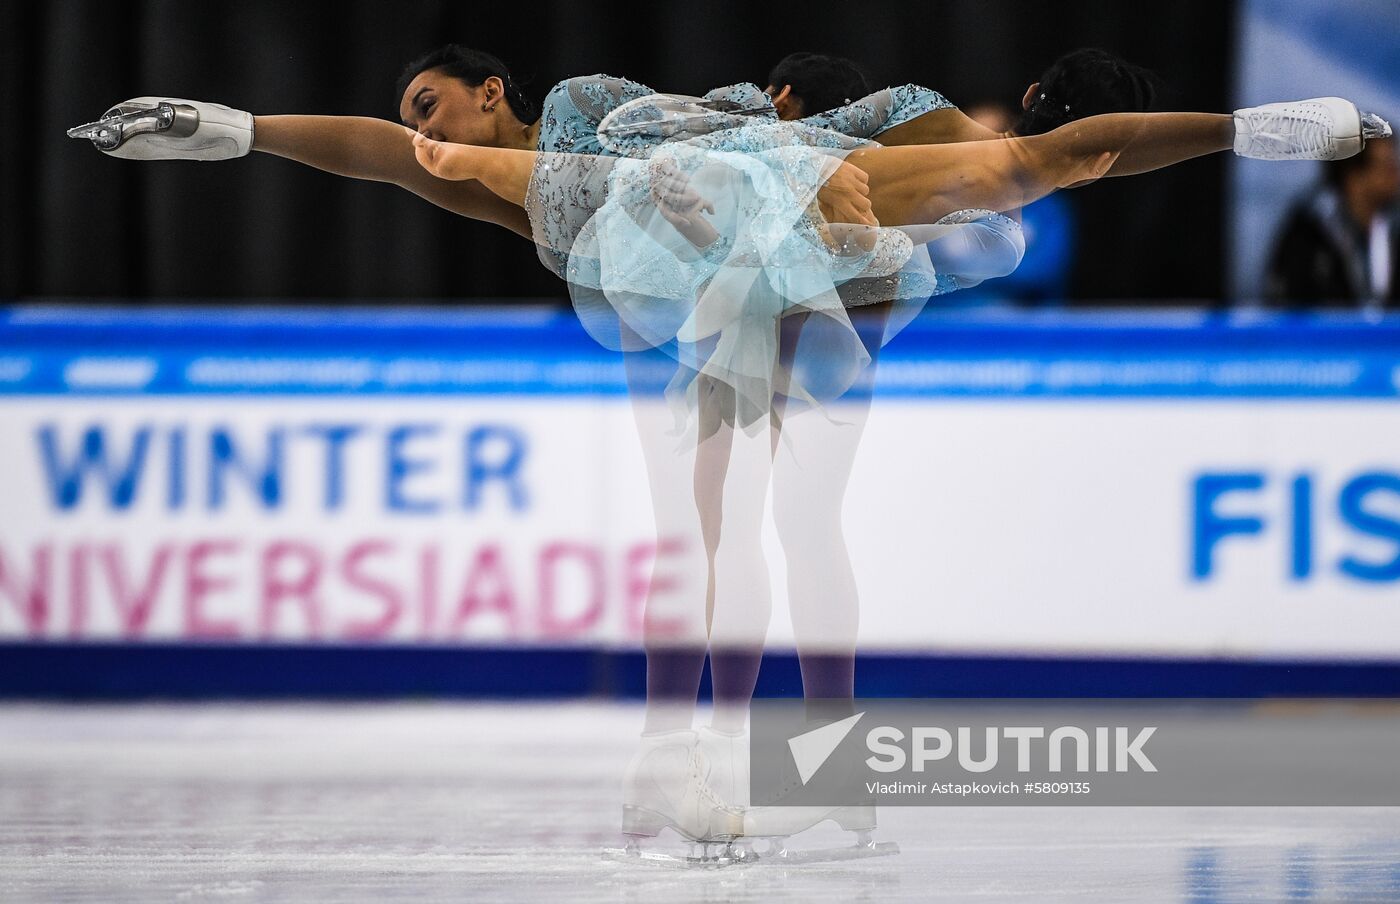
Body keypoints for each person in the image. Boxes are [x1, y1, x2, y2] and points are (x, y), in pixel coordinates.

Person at [71, 51, 1390, 855]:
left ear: (493, 92)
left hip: (781, 207)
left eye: (439, 102)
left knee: (1006, 188)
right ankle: (759, 763)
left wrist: (774, 161)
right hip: (747, 259)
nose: (425, 125)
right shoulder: (508, 172)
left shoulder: (592, 121)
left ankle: (747, 759)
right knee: (734, 515)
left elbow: (1039, 151)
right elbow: (374, 155)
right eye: (419, 114)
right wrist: (229, 130)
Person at [1265, 136, 1399, 310]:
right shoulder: (1309, 233)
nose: (1396, 176)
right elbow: (1288, 305)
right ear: (1353, 177)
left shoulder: (1393, 228)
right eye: (1388, 167)